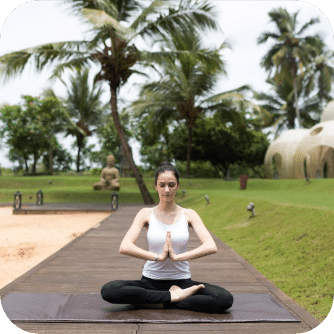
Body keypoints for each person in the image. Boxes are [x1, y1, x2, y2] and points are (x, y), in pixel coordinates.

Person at [101, 162, 234, 313]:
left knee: (224, 298)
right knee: (110, 290)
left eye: (171, 185)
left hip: (182, 282)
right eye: (162, 185)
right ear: (155, 186)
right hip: (150, 281)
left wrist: (178, 257)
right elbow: (125, 246)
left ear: (177, 186)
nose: (167, 190)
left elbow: (210, 246)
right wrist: (158, 257)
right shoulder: (146, 214)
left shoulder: (189, 214)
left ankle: (160, 300)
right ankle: (172, 298)